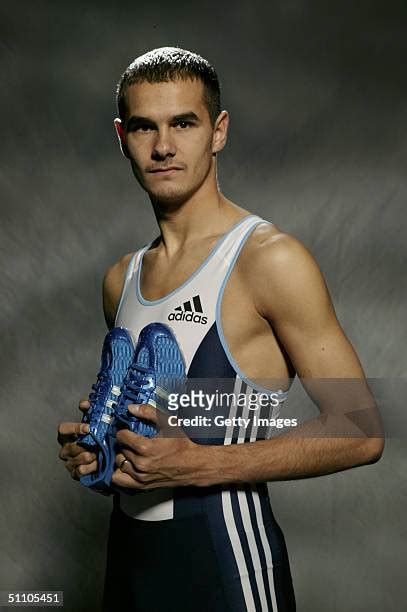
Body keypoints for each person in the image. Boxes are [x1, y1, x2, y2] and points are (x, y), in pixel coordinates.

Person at [58, 47, 384, 612]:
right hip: (129, 564)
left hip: (226, 563)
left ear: (218, 131)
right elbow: (163, 437)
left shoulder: (269, 259)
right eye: (144, 127)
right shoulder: (121, 279)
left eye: (184, 122)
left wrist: (206, 464)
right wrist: (103, 456)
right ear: (121, 137)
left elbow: (361, 429)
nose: (163, 146)